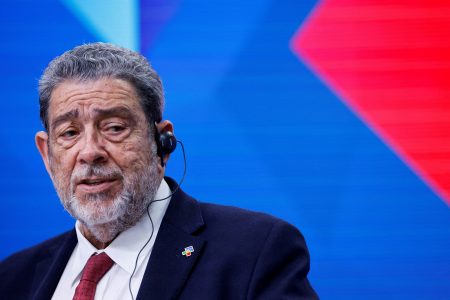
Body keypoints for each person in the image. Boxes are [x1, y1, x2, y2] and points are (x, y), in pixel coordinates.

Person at [0, 42, 318, 300]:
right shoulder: (13, 277)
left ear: (162, 142)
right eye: (69, 133)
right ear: (47, 154)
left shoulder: (255, 251)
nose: (89, 152)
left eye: (113, 127)